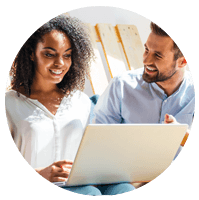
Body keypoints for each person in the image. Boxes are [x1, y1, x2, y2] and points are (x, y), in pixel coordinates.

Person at [5, 14, 135, 195]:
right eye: (49, 54)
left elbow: (95, 151)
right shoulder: (10, 104)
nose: (60, 63)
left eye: (67, 55)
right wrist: (41, 173)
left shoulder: (80, 101)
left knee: (125, 188)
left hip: (83, 180)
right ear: (31, 54)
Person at [94, 22, 195, 154]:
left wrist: (183, 137)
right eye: (146, 49)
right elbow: (98, 142)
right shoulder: (121, 86)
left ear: (182, 62)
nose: (146, 60)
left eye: (157, 55)